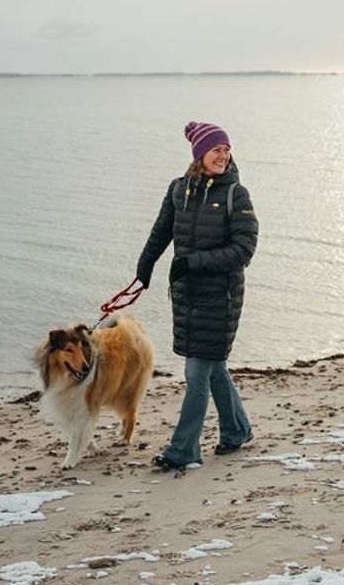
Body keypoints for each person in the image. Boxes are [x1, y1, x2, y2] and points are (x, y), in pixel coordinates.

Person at [135, 121, 258, 470]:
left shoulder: (236, 195)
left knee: (196, 373)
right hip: (187, 295)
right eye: (216, 149)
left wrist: (193, 262)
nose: (223, 155)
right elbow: (161, 232)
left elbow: (244, 249)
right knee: (213, 367)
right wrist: (145, 266)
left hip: (221, 298)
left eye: (227, 149)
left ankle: (184, 450)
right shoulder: (179, 189)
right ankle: (237, 430)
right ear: (199, 153)